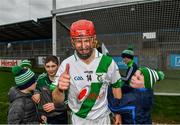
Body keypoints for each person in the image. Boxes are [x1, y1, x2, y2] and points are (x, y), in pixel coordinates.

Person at [54, 19, 123, 125]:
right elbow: (57, 101)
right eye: (78, 41)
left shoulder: (108, 62)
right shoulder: (66, 65)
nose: (83, 46)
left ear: (94, 39)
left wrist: (118, 112)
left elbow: (116, 87)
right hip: (79, 120)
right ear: (72, 42)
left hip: (103, 119)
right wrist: (59, 88)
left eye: (86, 40)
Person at [32, 55, 68, 124]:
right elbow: (36, 88)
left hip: (61, 115)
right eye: (48, 66)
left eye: (53, 66)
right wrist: (36, 93)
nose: (50, 69)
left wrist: (56, 106)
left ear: (58, 65)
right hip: (45, 116)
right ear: (44, 67)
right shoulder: (41, 79)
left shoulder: (64, 80)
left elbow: (70, 101)